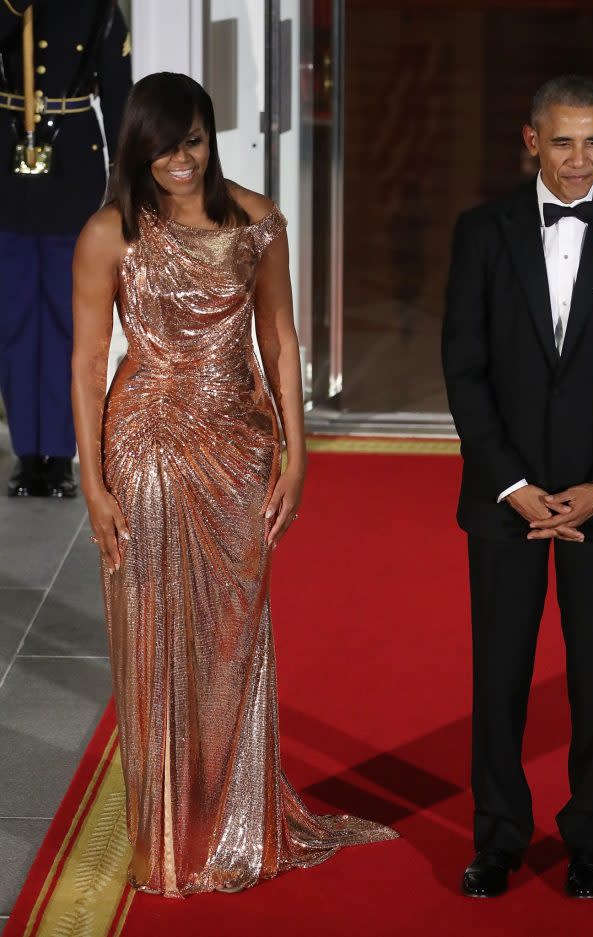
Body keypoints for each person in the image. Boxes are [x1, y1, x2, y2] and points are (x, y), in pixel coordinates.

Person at [71, 72, 396, 897]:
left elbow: (281, 339)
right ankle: (168, 835)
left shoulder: (256, 220)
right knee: (150, 638)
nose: (179, 160)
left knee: (233, 640)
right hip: (142, 447)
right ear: (136, 148)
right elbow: (83, 365)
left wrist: (297, 448)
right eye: (163, 144)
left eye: (193, 141)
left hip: (239, 451)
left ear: (212, 139)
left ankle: (238, 822)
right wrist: (93, 482)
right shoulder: (110, 233)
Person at [442, 75, 593, 899]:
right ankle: (499, 838)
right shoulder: (481, 233)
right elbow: (464, 371)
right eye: (564, 142)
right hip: (505, 502)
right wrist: (511, 484)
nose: (580, 161)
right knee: (499, 676)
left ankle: (591, 839)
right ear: (532, 139)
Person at [0, 0, 131, 497]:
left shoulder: (98, 8)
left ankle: (59, 455)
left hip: (70, 163)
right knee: (12, 320)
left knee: (63, 318)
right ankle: (26, 453)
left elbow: (119, 93)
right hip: (8, 169)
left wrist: (126, 180)